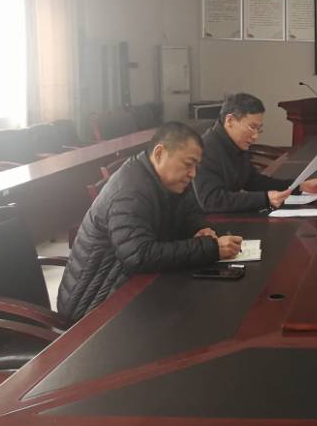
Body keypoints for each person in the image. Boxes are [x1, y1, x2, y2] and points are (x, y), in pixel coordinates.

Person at [58, 122, 243, 322]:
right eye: (188, 164)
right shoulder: (129, 192)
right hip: (94, 306)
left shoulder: (166, 179)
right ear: (159, 153)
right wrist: (210, 248)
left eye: (196, 166)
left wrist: (201, 229)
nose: (193, 173)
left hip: (133, 285)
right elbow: (139, 255)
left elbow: (190, 212)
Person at [195, 93, 317, 213]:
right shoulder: (204, 150)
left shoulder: (235, 144)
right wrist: (265, 199)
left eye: (258, 129)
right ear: (230, 121)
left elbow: (254, 181)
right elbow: (212, 201)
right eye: (252, 127)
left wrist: (298, 187)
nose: (255, 136)